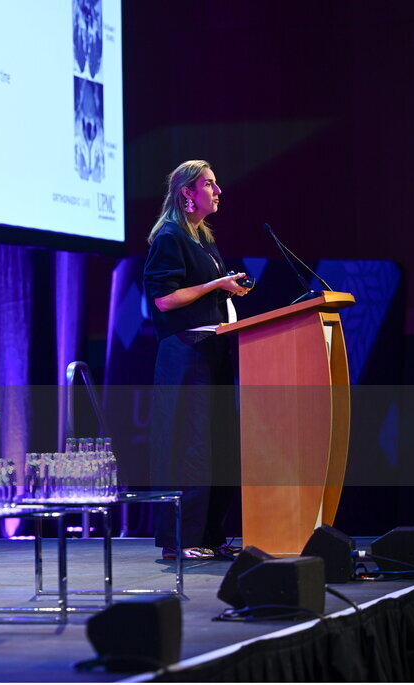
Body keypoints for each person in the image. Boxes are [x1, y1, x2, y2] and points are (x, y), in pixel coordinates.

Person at [143, 160, 251, 561]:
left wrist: (225, 290)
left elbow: (205, 293)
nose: (218, 190)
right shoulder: (170, 236)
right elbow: (164, 298)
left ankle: (211, 534)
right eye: (209, 184)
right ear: (187, 192)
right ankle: (182, 538)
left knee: (220, 446)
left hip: (214, 349)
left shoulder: (203, 238)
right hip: (185, 354)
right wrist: (214, 285)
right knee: (190, 447)